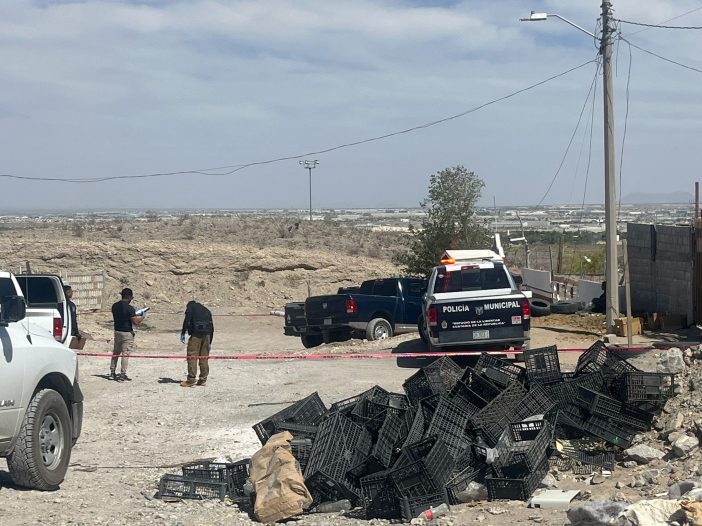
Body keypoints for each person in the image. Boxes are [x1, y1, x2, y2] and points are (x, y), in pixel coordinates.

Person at [110, 287, 146, 381]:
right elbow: (136, 322)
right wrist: (142, 317)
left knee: (116, 353)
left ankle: (112, 372)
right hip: (127, 333)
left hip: (117, 331)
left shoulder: (114, 306)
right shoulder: (130, 308)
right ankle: (122, 375)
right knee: (125, 354)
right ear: (129, 297)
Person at [179, 300, 214, 387]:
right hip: (207, 335)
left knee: (192, 356)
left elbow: (187, 320)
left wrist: (183, 333)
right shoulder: (206, 310)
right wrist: (210, 341)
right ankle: (202, 379)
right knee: (204, 357)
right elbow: (212, 326)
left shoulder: (191, 307)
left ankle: (191, 380)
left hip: (196, 335)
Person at [63, 284, 85, 350]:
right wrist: (76, 333)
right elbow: (73, 320)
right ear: (68, 292)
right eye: (71, 291)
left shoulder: (61, 304)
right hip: (69, 331)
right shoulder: (71, 305)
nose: (72, 293)